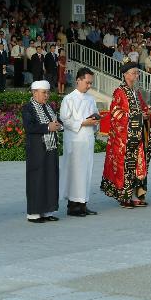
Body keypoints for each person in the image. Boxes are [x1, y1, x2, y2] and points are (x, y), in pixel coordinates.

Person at [101, 62, 151, 209]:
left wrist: (146, 113)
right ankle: (125, 197)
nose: (136, 75)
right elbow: (115, 113)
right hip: (124, 138)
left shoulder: (136, 92)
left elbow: (143, 109)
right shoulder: (119, 92)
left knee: (138, 165)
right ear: (125, 74)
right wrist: (137, 116)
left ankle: (136, 195)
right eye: (133, 73)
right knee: (126, 166)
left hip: (137, 136)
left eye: (137, 73)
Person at [59, 68, 99, 217]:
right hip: (75, 141)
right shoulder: (68, 99)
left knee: (86, 172)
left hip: (87, 140)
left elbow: (96, 116)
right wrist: (83, 122)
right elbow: (65, 120)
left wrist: (95, 121)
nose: (89, 86)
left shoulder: (90, 98)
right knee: (75, 173)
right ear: (78, 80)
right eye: (87, 82)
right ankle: (73, 206)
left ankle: (83, 203)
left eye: (91, 83)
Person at [21, 80, 62, 223]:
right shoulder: (28, 108)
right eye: (44, 92)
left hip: (50, 148)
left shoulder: (49, 107)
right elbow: (29, 127)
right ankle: (34, 213)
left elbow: (56, 121)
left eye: (48, 92)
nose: (47, 95)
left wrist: (58, 125)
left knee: (50, 178)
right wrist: (48, 127)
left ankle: (47, 211)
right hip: (36, 150)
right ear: (34, 92)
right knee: (37, 179)